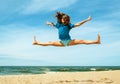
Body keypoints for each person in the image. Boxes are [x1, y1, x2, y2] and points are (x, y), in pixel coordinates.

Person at [33, 12, 100, 47]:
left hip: (69, 41)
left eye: (66, 19)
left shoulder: (69, 25)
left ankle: (96, 41)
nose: (65, 20)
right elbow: (53, 24)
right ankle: (36, 43)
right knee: (50, 43)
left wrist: (87, 20)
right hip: (61, 42)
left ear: (68, 20)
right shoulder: (59, 25)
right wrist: (49, 23)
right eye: (63, 19)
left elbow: (78, 24)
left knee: (82, 41)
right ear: (61, 19)